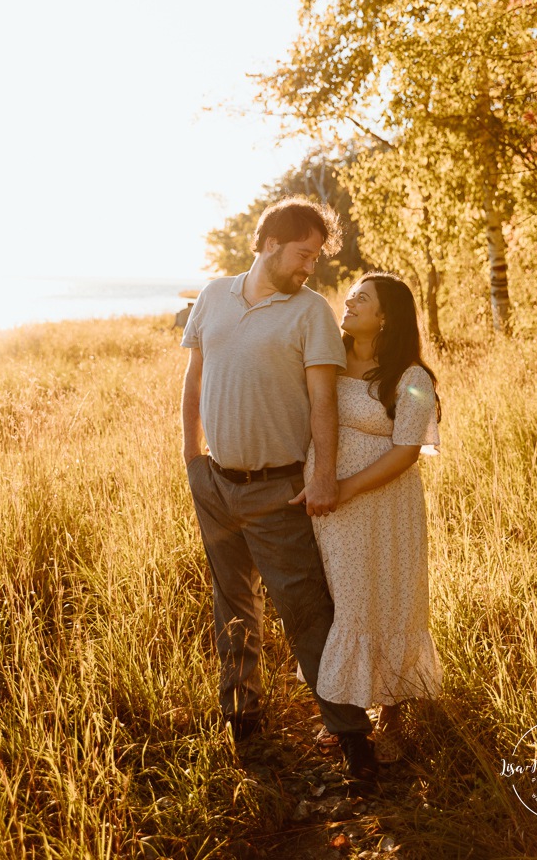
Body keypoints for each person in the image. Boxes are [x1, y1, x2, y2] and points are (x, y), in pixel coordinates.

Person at [181, 198, 377, 783]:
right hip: (216, 482)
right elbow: (194, 378)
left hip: (278, 489)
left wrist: (322, 476)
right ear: (269, 243)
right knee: (231, 604)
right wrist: (192, 458)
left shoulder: (310, 311)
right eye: (303, 254)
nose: (309, 267)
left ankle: (351, 736)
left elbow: (323, 399)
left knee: (306, 611)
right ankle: (244, 720)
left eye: (315, 257)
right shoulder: (214, 296)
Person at [290, 272, 442, 758]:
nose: (349, 303)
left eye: (362, 299)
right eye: (350, 296)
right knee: (340, 601)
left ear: (386, 317)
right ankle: (345, 713)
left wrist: (343, 487)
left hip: (382, 506)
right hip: (329, 508)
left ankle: (392, 713)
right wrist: (321, 486)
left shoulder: (412, 379)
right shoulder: (327, 363)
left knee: (386, 597)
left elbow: (406, 453)